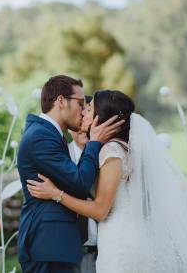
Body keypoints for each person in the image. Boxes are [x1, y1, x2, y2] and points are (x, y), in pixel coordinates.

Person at [27, 90, 187, 273]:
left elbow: (100, 210)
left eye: (88, 109)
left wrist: (56, 194)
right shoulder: (113, 149)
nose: (82, 112)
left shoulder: (112, 151)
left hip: (122, 241)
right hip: (116, 237)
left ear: (102, 118)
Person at [16, 75, 124, 273]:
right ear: (60, 101)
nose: (83, 111)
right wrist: (94, 142)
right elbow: (80, 181)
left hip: (55, 247)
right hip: (48, 246)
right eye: (80, 103)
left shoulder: (49, 134)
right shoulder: (41, 136)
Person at [67, 96, 98, 273]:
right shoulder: (60, 157)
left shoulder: (107, 155)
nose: (82, 127)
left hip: (107, 246)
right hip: (73, 250)